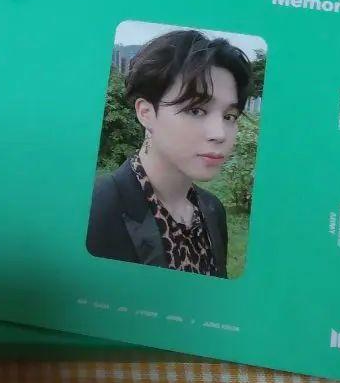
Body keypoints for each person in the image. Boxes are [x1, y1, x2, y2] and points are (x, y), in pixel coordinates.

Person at [86, 29, 252, 278]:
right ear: (146, 113)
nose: (219, 134)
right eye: (196, 110)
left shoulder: (212, 210)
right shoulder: (97, 211)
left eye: (229, 116)